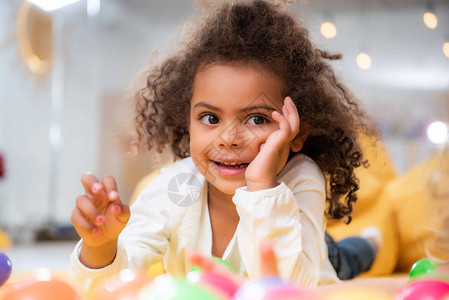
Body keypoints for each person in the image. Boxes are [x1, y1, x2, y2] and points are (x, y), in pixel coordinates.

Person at [69, 0, 375, 293]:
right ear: (186, 122)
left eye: (256, 119)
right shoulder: (176, 187)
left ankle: (371, 243)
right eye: (210, 117)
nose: (228, 137)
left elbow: (292, 287)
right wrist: (101, 246)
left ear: (296, 131)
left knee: (347, 257)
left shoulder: (300, 177)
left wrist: (261, 185)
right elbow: (117, 280)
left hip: (307, 249)